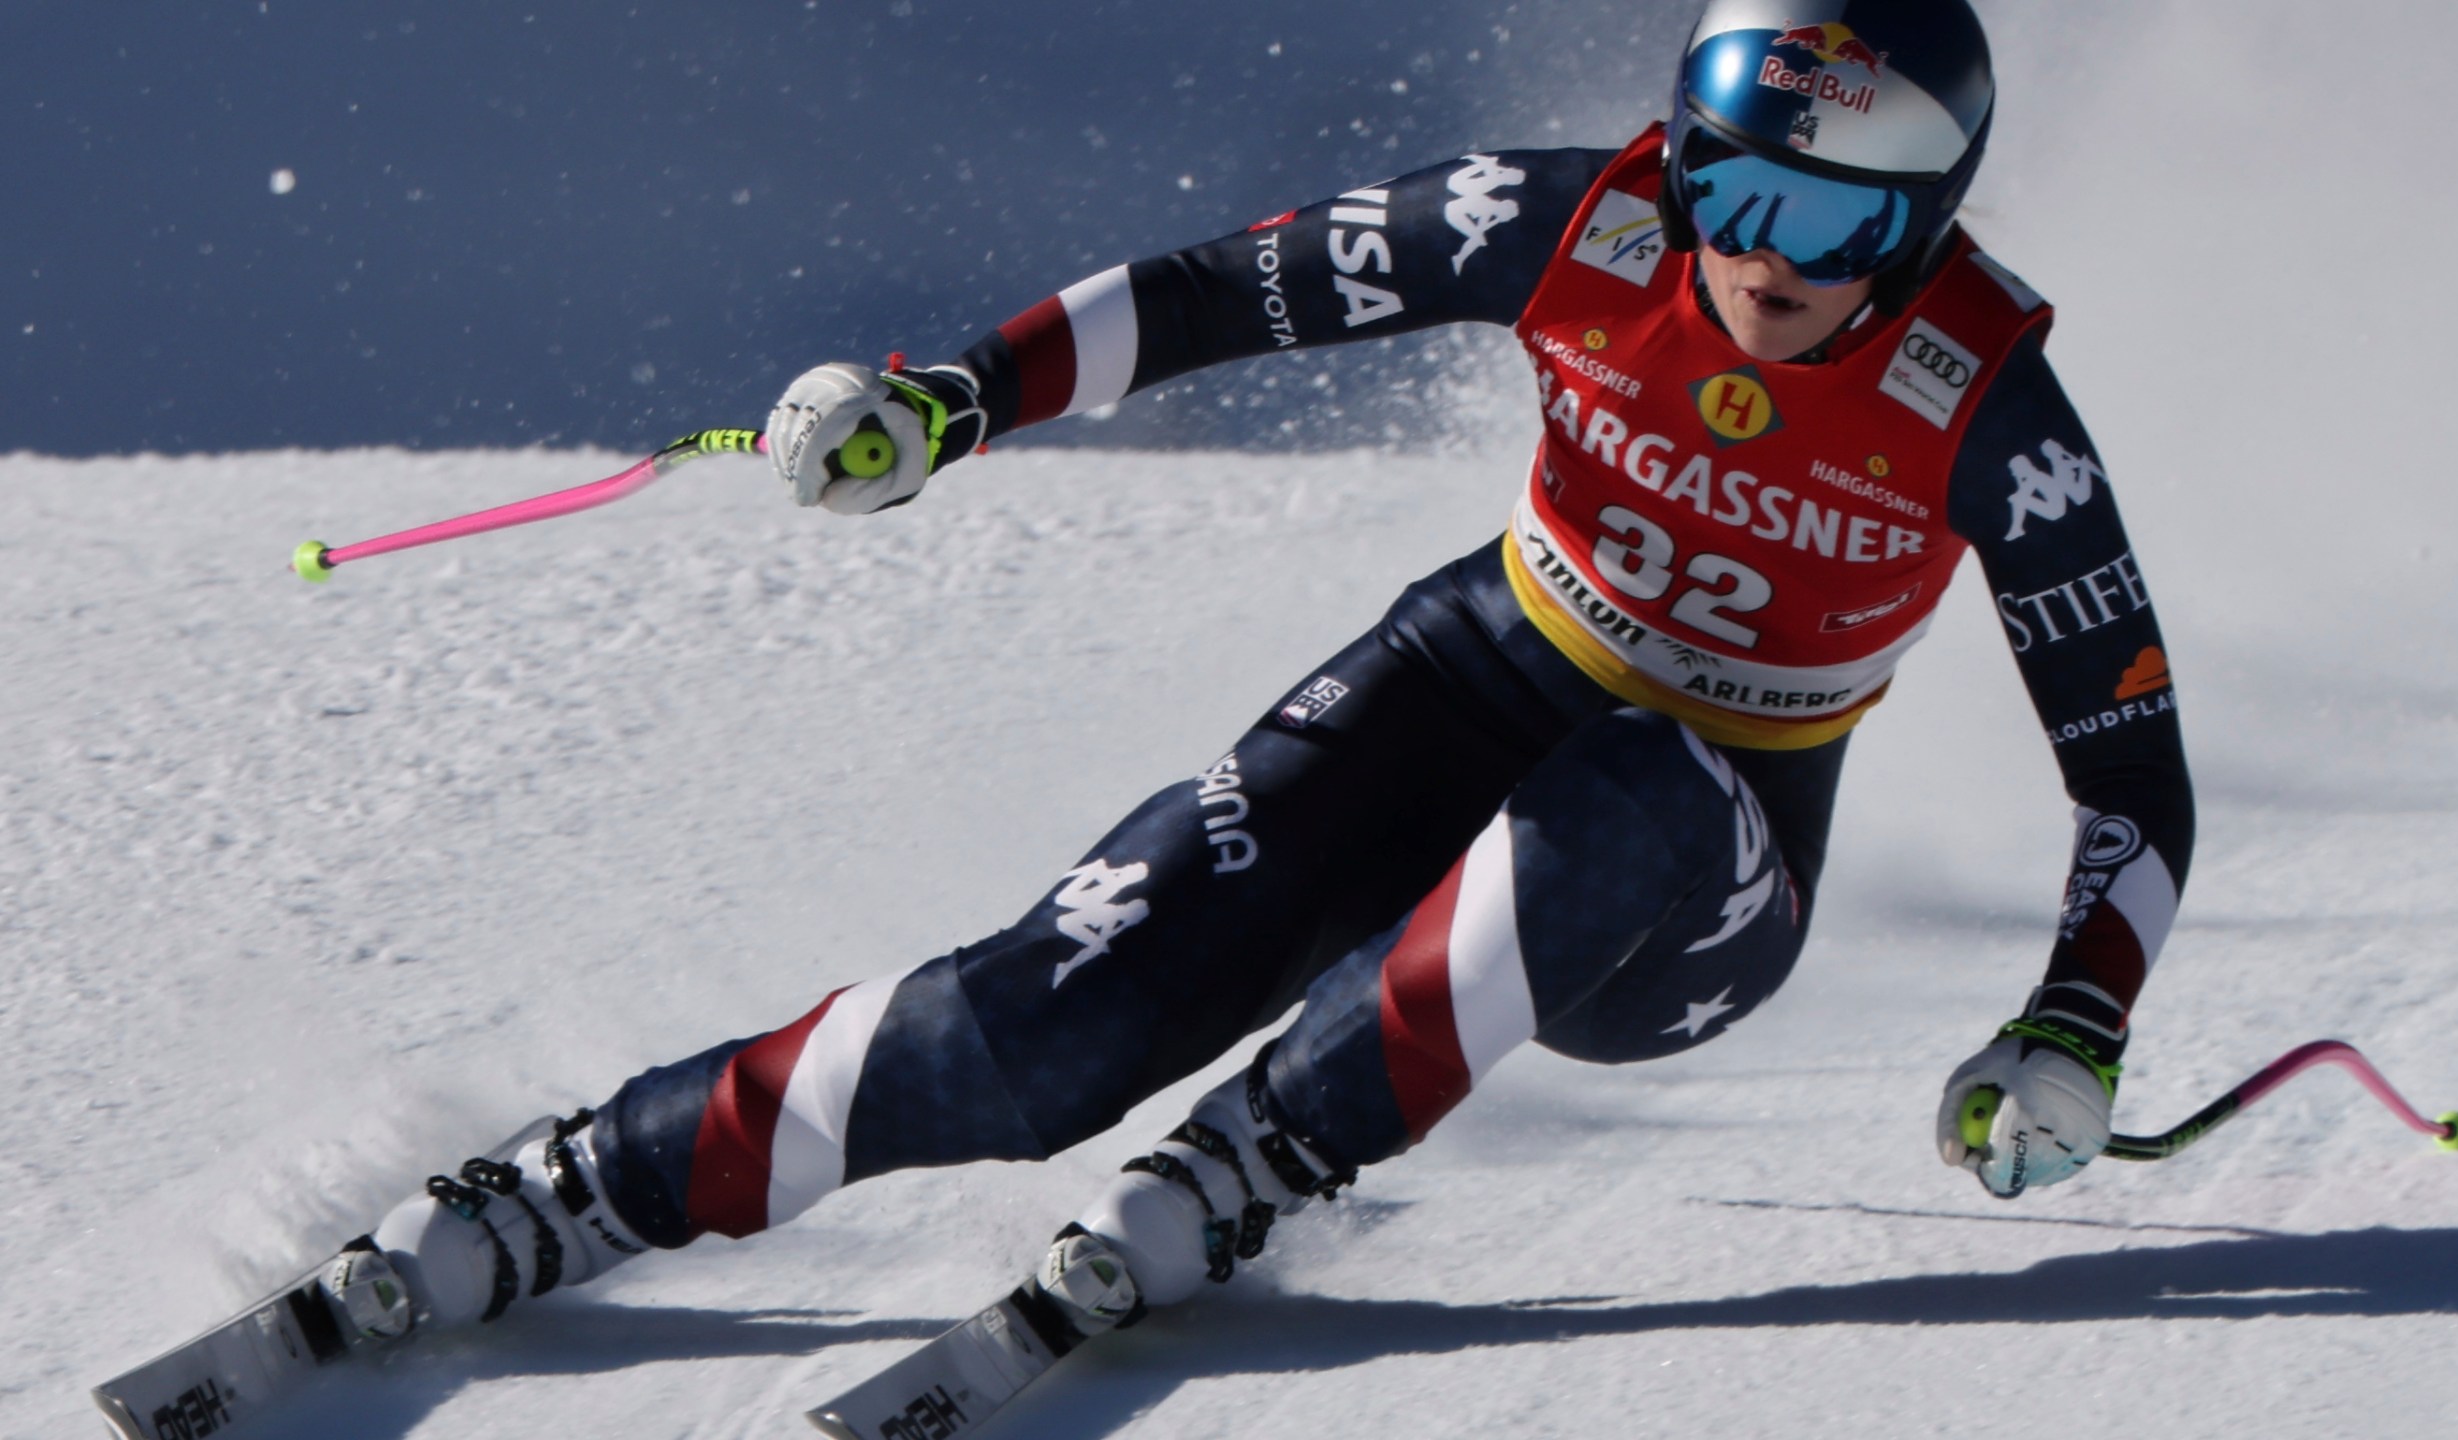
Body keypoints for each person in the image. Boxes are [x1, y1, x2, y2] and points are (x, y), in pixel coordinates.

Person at [325, 0, 2193, 1345]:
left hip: (1706, 879)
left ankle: (1261, 1160)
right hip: (1475, 672)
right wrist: (952, 399)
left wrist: (2076, 1025)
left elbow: (2130, 770)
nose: (1766, 265)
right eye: (1739, 194)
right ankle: (580, 1186)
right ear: (1681, 158)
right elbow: (1232, 289)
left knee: (1643, 778)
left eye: (1839, 222)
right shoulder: (1574, 224)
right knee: (1053, 1021)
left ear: (1930, 227)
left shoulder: (1985, 413)